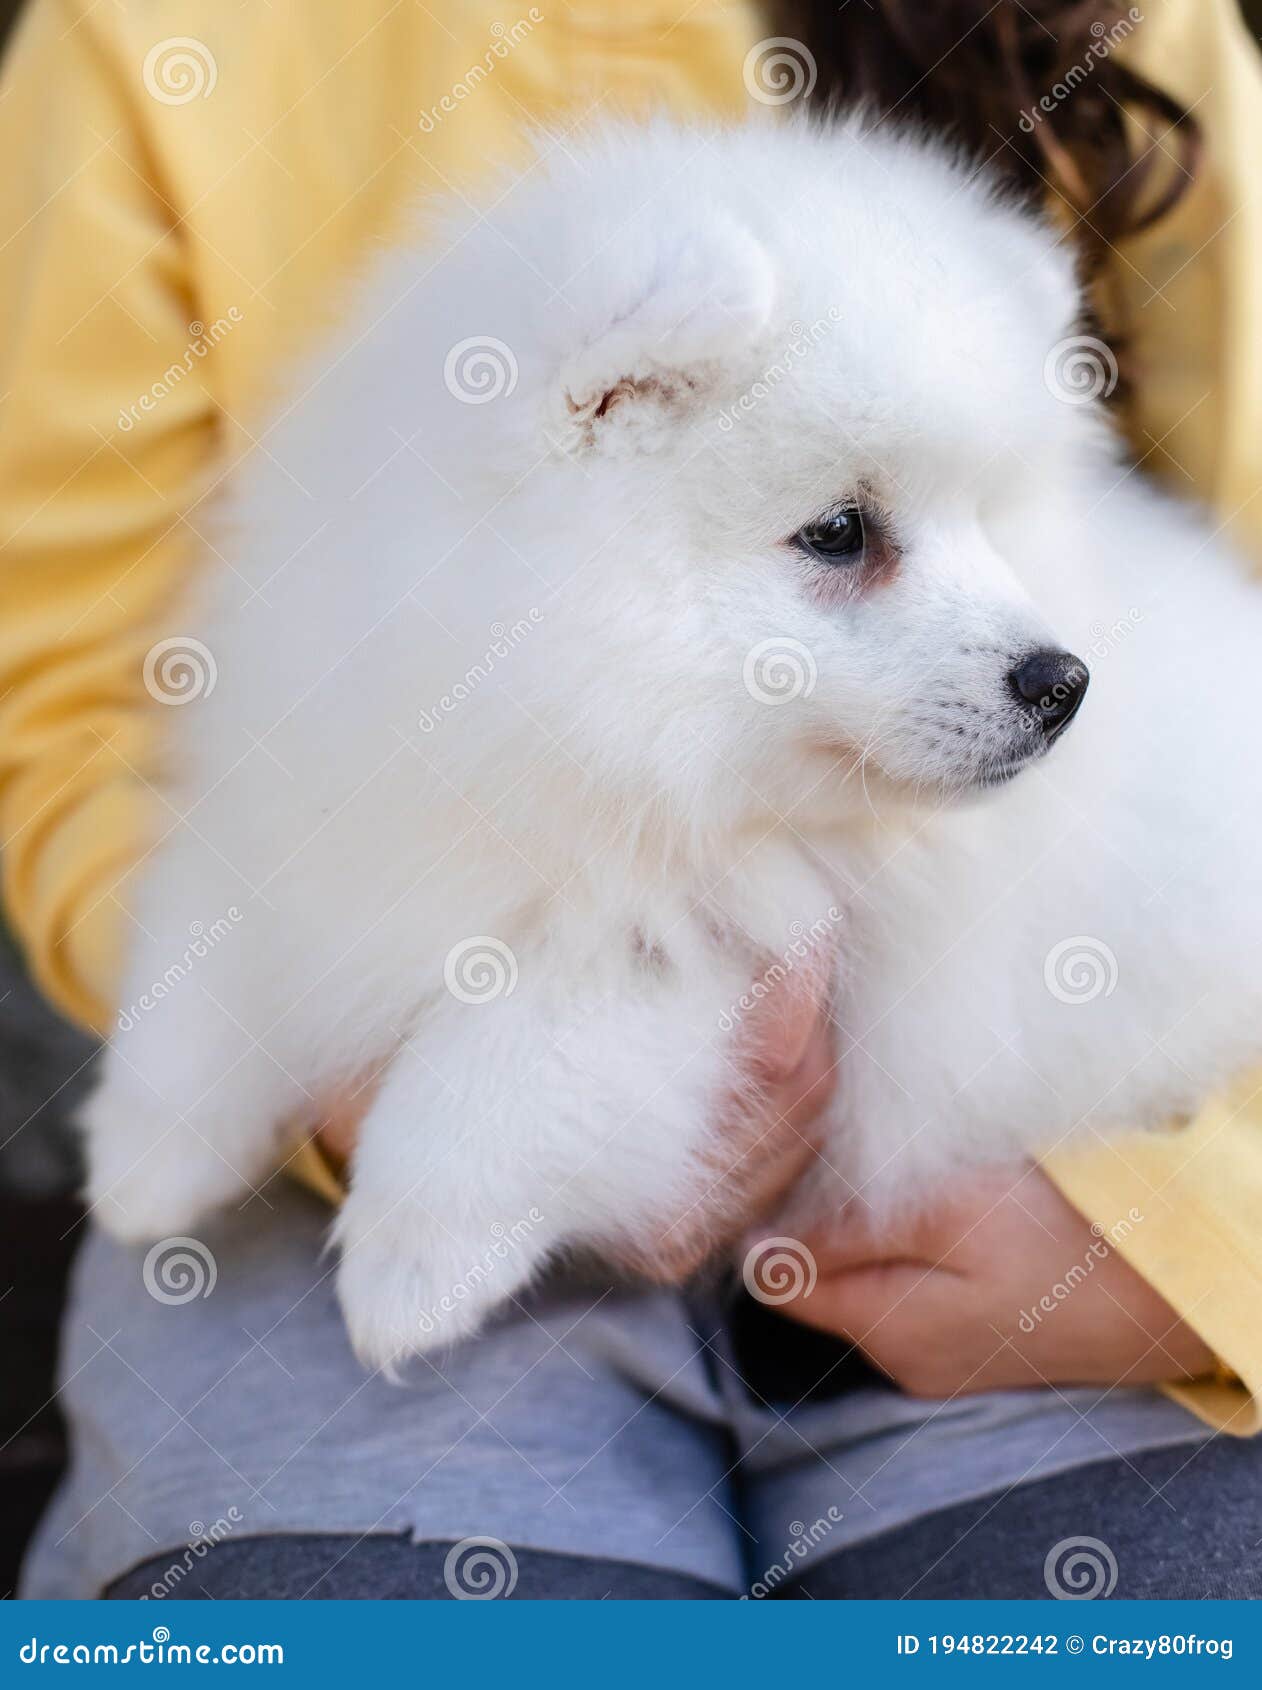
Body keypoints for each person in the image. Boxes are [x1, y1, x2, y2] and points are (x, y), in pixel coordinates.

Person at [3, 0, 1261, 1600]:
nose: (1035, 656)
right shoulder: (153, 41)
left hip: (1067, 1194)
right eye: (839, 543)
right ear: (604, 406)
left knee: (1164, 1608)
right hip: (328, 1213)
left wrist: (1186, 1249)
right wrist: (298, 1068)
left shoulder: (1122, 22)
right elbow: (84, 716)